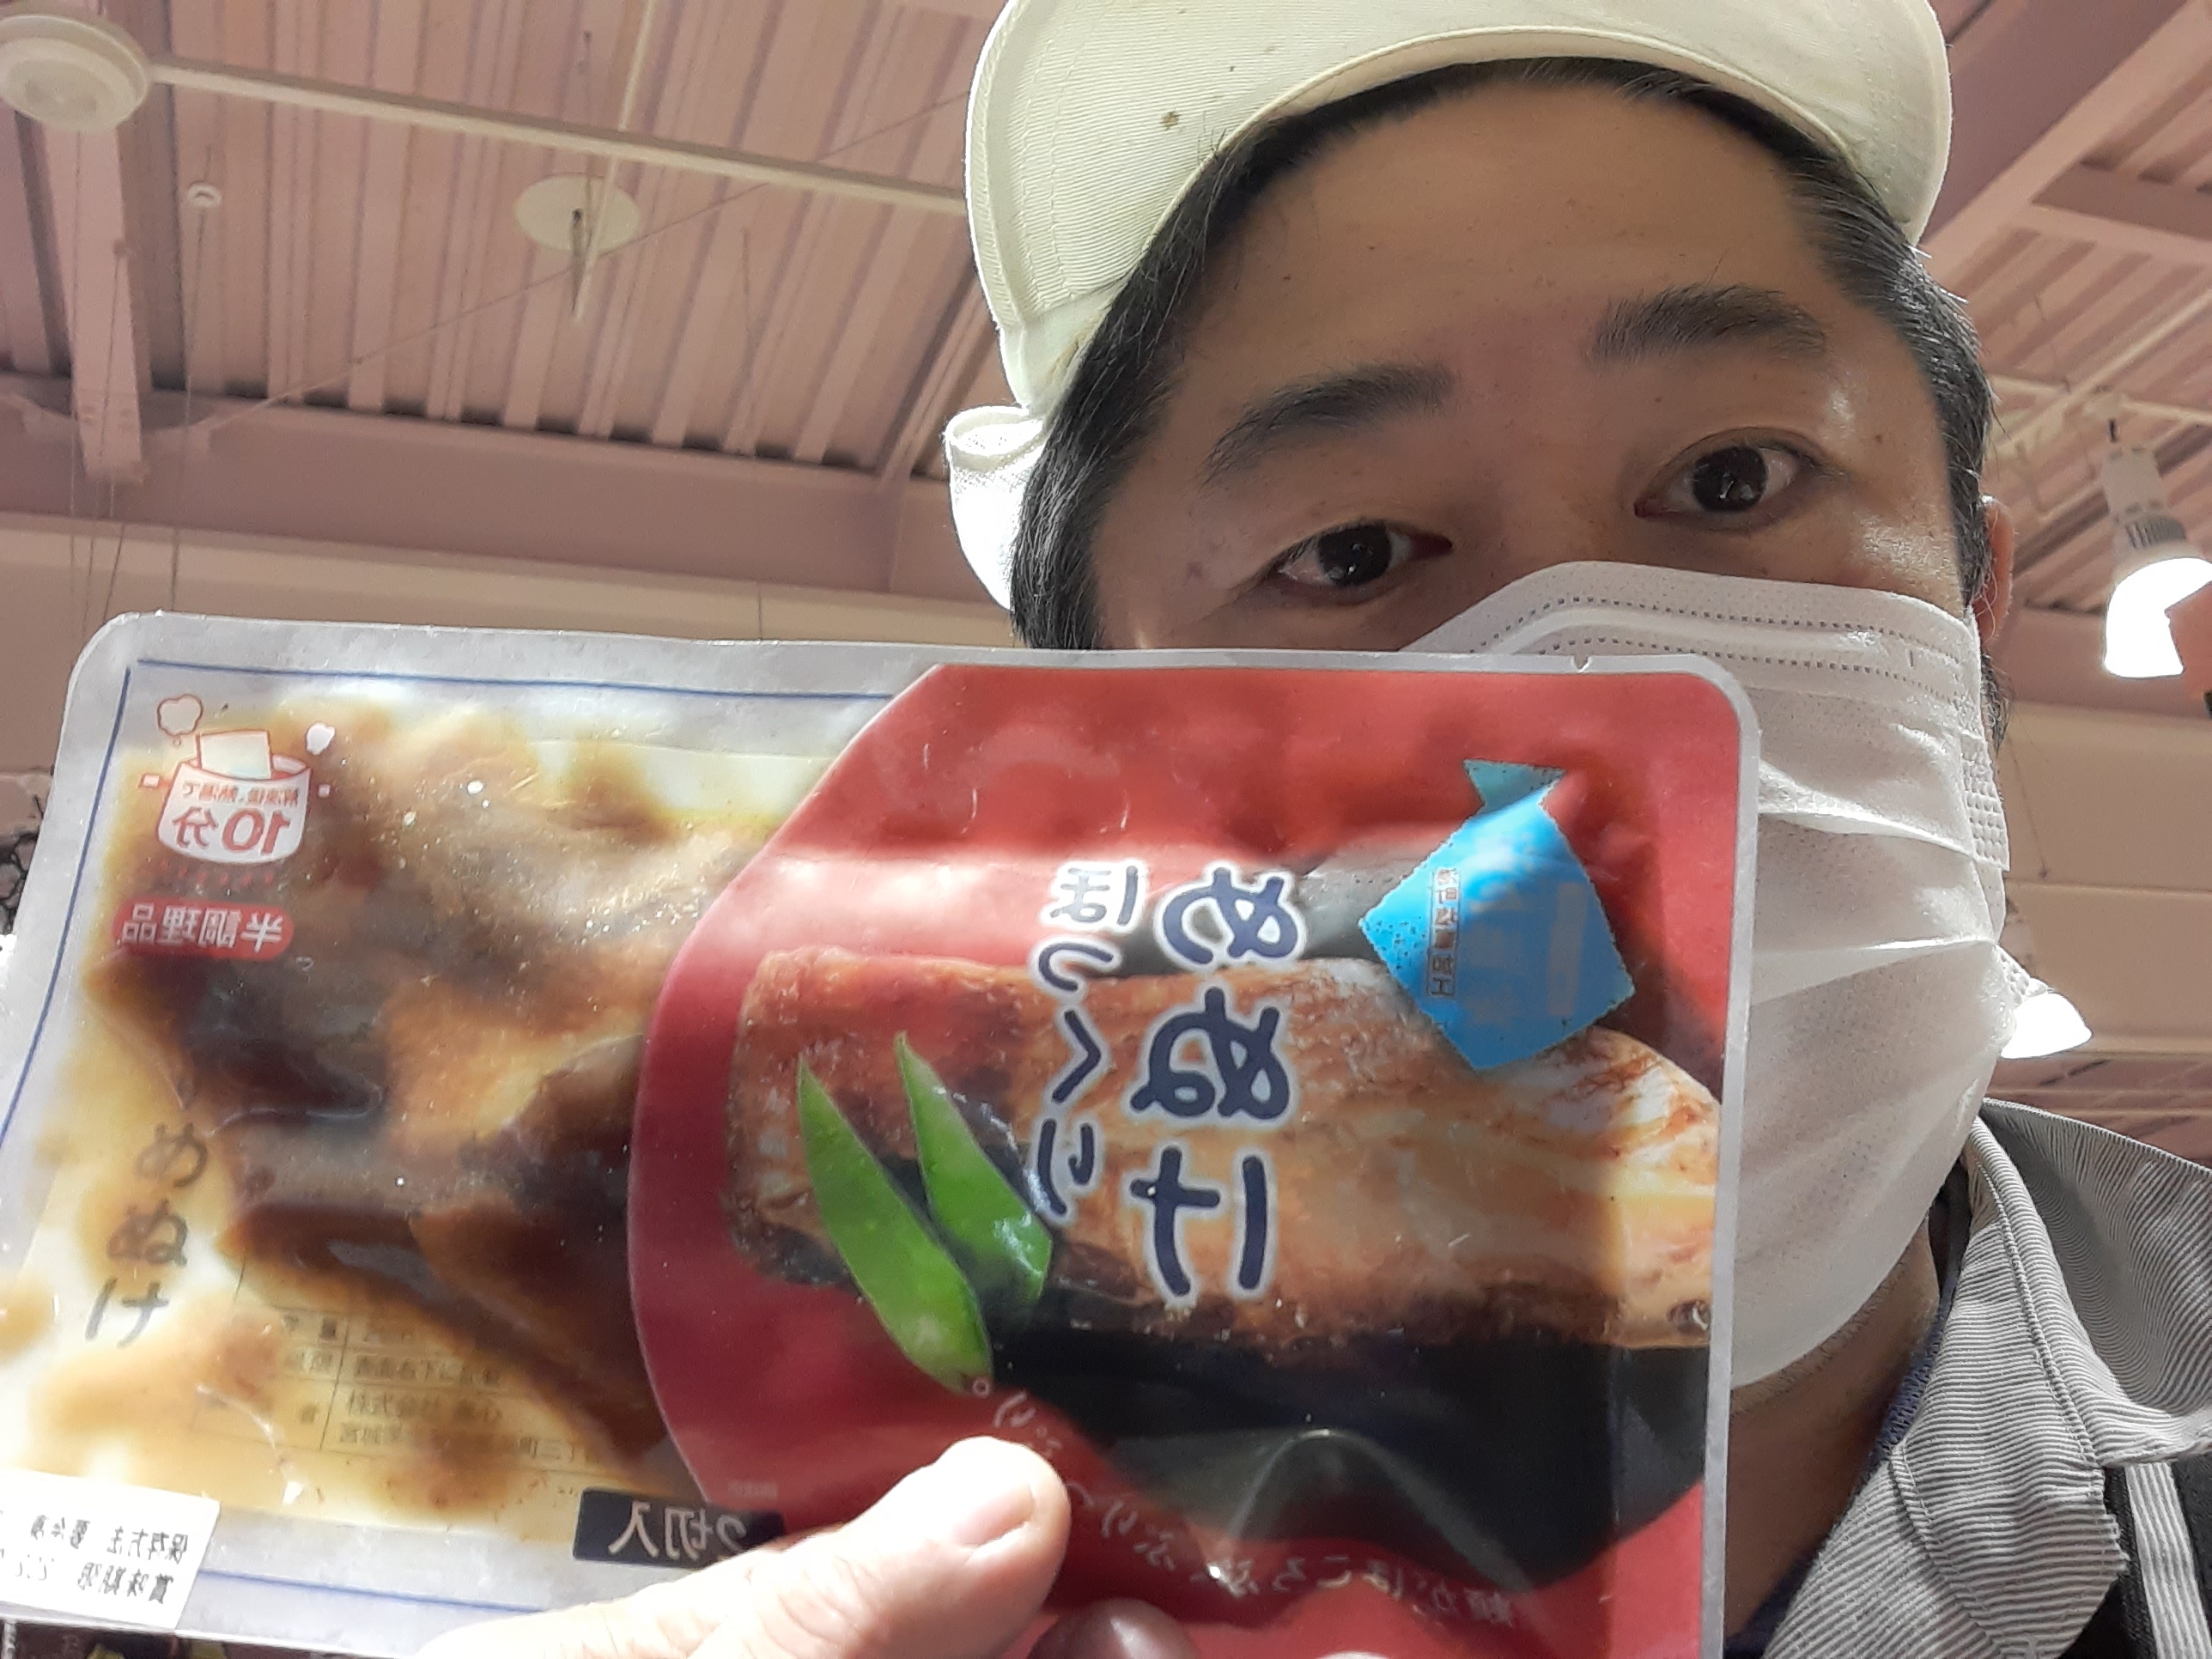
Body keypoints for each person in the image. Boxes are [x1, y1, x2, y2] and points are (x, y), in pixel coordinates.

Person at [427, 1, 2212, 1654]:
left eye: (1731, 479)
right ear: (1089, 753)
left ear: (1975, 599)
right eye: (1350, 555)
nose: (1585, 715)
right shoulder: (786, 1505)